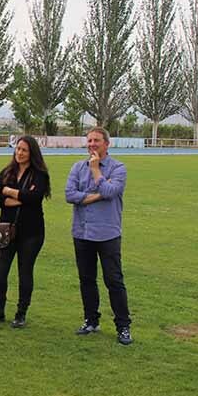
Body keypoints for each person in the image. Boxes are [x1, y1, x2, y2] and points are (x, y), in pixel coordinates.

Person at [65, 126, 132, 345]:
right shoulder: (77, 167)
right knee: (87, 280)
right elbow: (70, 195)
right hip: (82, 232)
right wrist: (97, 195)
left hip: (107, 233)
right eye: (90, 141)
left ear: (107, 144)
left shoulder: (118, 168)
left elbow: (111, 192)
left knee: (114, 281)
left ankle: (123, 326)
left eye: (96, 141)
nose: (92, 144)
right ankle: (91, 320)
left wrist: (95, 170)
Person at [0, 135, 51, 328]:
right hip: (6, 231)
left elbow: (34, 198)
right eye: (18, 149)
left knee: (25, 272)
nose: (19, 153)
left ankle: (21, 314)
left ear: (32, 153)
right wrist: (20, 198)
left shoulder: (39, 174)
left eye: (24, 150)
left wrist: (9, 192)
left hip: (31, 233)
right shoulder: (7, 172)